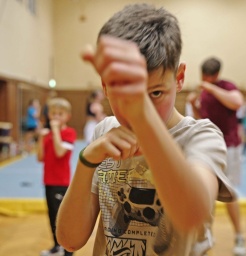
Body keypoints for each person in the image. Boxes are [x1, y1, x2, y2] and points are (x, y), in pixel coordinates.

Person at [56, 4, 236, 256]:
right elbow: (70, 241)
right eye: (123, 94)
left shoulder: (201, 136)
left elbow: (190, 214)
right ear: (105, 87)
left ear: (179, 77)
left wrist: (143, 118)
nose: (136, 108)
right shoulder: (104, 133)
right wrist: (86, 161)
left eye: (156, 93)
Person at [189, 57, 246, 256]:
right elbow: (203, 120)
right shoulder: (204, 93)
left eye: (207, 76)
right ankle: (205, 239)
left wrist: (211, 88)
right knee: (207, 191)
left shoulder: (226, 86)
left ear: (214, 75)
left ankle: (239, 236)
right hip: (209, 146)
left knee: (229, 193)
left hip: (229, 146)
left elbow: (237, 102)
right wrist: (194, 105)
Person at [37, 98, 76, 256]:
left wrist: (54, 131)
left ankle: (68, 250)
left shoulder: (69, 133)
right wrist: (41, 138)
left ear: (67, 116)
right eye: (53, 114)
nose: (56, 117)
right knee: (52, 215)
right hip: (48, 181)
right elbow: (40, 157)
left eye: (60, 114)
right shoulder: (47, 135)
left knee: (62, 218)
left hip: (61, 182)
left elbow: (60, 152)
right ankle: (55, 246)